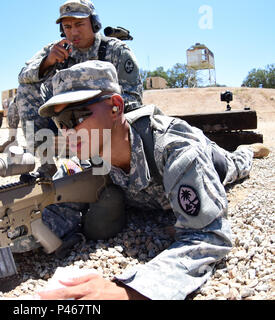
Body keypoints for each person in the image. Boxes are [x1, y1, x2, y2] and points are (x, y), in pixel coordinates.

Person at [35, 60, 269, 300]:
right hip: (156, 194)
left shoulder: (174, 148)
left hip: (212, 160)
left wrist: (130, 291)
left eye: (75, 116)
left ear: (115, 107)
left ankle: (247, 150)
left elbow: (210, 235)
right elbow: (52, 216)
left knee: (235, 165)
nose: (67, 131)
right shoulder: (85, 160)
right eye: (60, 122)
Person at [0, 0, 143, 152]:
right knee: (26, 88)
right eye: (67, 27)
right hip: (65, 123)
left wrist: (95, 110)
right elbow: (22, 76)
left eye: (79, 24)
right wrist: (47, 62)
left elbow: (133, 98)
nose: (73, 32)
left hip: (103, 124)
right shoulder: (58, 50)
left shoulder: (116, 50)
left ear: (94, 24)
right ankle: (46, 161)